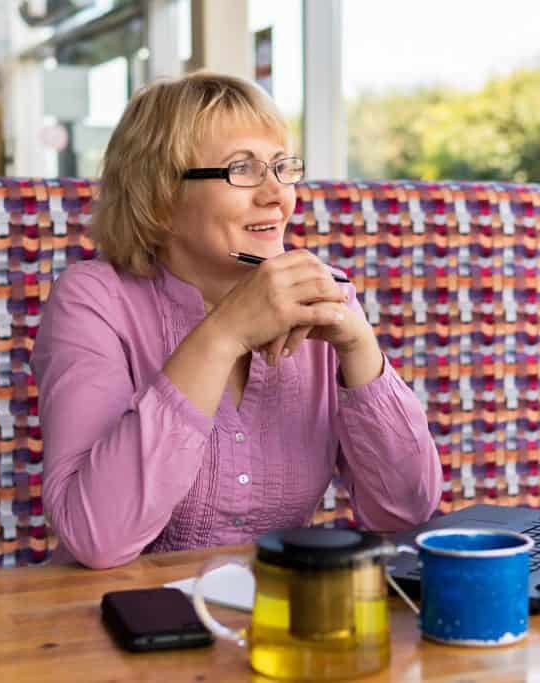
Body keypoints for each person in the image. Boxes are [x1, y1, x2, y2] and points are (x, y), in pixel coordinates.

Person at [31, 72, 443, 569]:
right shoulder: (93, 300)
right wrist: (224, 334)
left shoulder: (320, 296)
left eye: (281, 168)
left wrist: (359, 349)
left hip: (274, 620)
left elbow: (405, 514)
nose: (277, 195)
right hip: (114, 621)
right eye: (242, 170)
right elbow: (97, 537)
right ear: (161, 200)